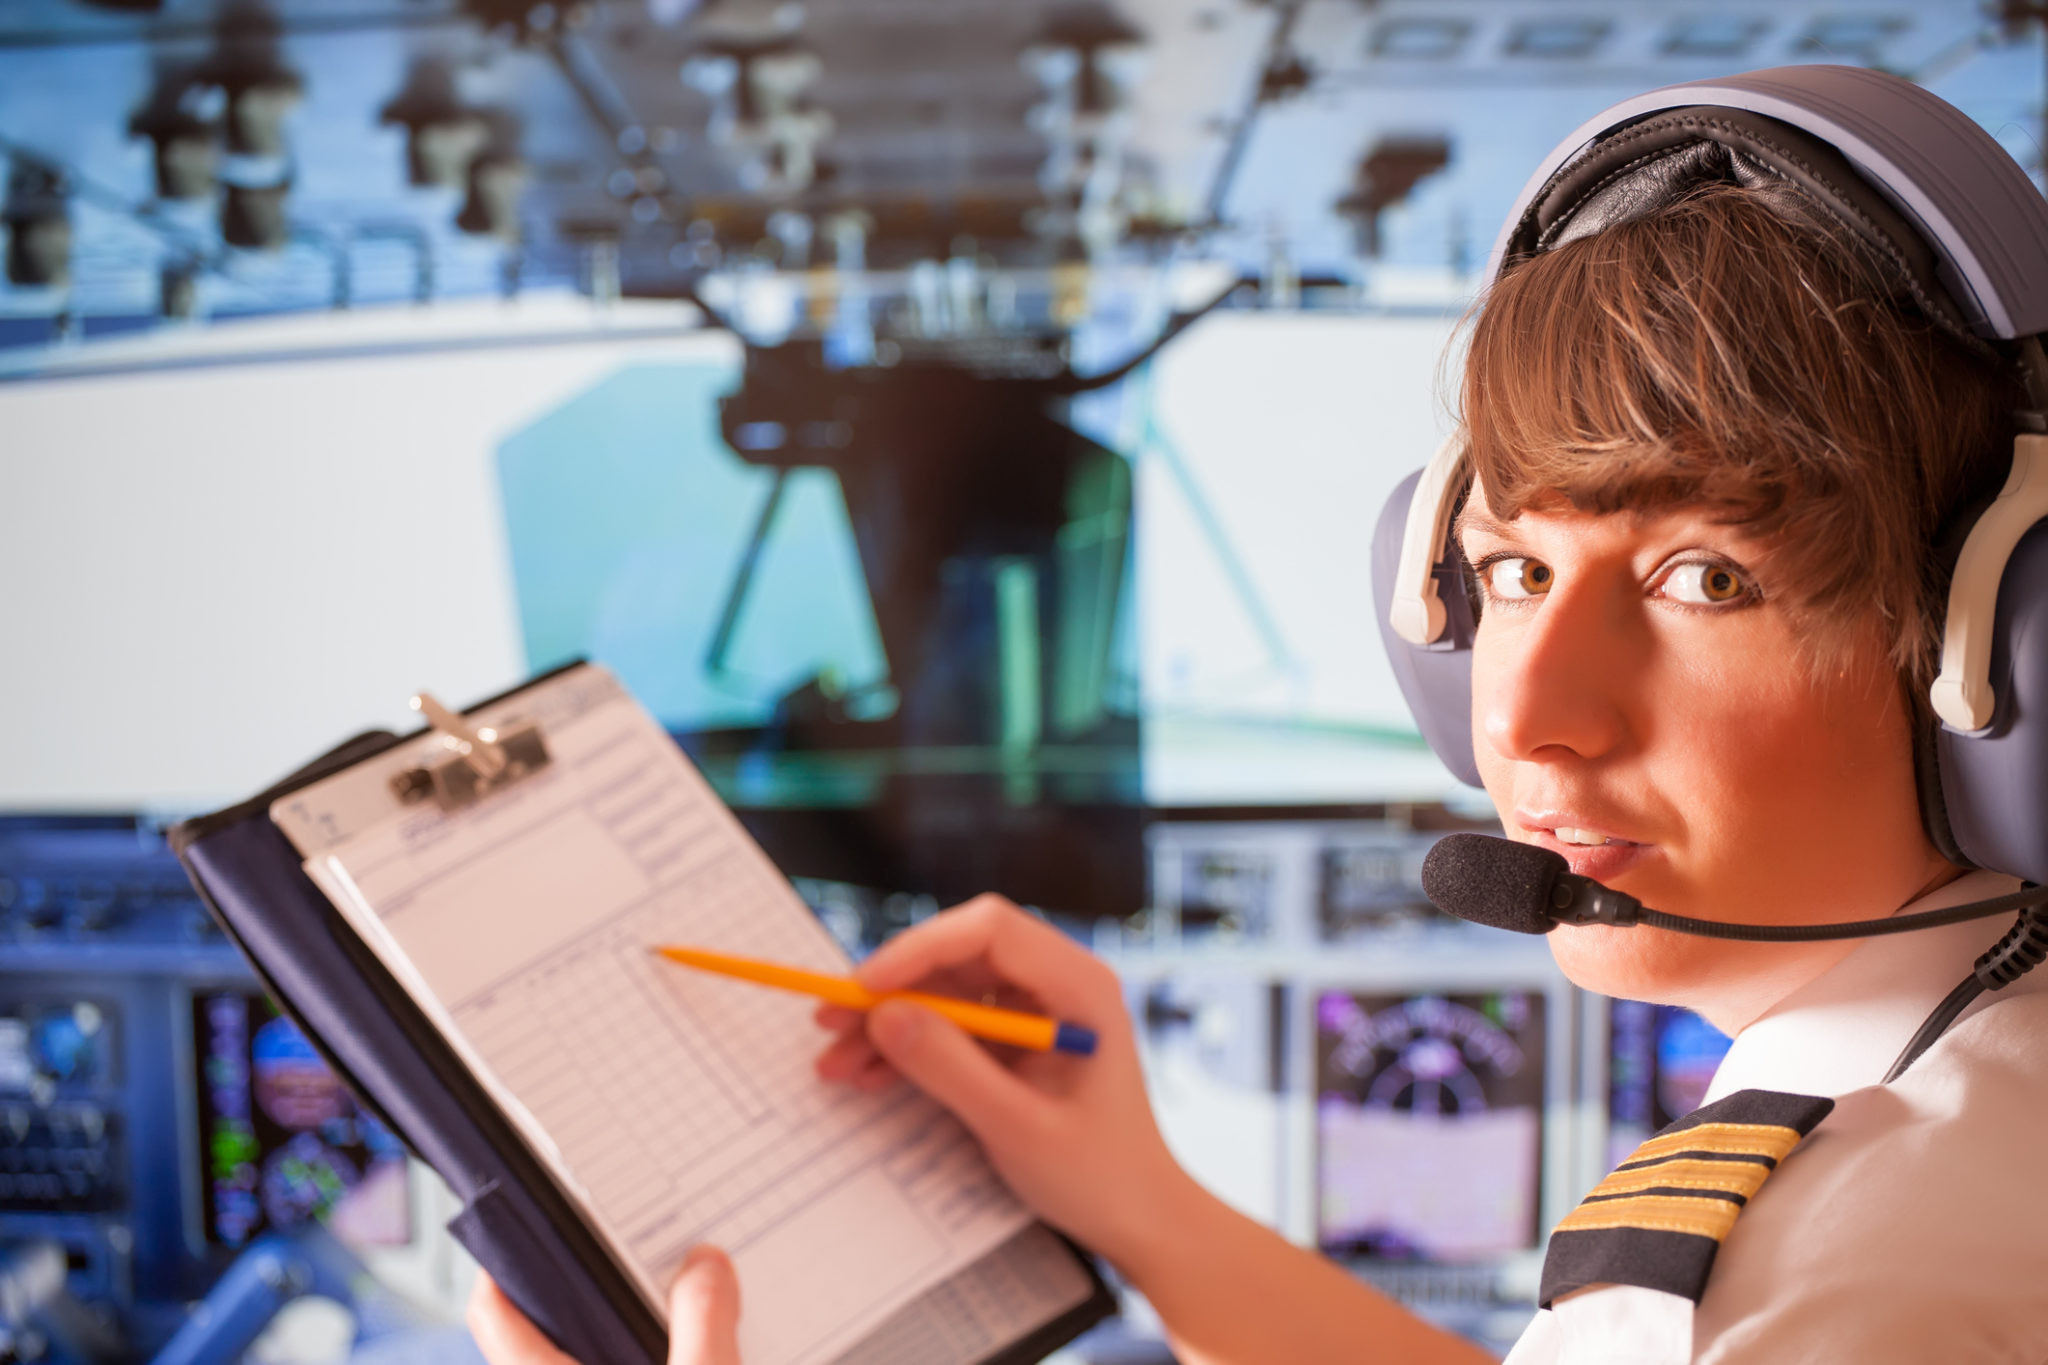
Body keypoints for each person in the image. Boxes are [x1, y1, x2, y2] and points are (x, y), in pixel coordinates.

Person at [471, 69, 2048, 1365]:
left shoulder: (1842, 1279)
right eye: (1506, 570)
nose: (1534, 723)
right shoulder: (1967, 1074)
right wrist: (1145, 1205)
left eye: (1706, 578)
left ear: (2000, 647)